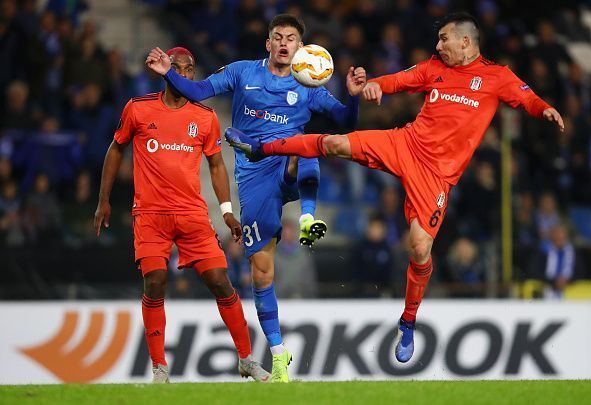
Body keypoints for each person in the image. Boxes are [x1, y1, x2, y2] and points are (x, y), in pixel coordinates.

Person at [225, 12, 565, 363]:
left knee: (419, 248)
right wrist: (374, 85)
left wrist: (545, 110)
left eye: (444, 38)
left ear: (465, 42)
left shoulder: (497, 77)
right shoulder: (435, 67)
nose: (438, 45)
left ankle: (407, 320)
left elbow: (526, 99)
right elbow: (401, 80)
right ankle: (260, 147)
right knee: (335, 143)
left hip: (436, 175)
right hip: (406, 143)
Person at [145, 14, 366, 382]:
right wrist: (170, 72)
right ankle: (279, 352)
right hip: (252, 176)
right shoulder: (243, 72)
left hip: (285, 159)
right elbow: (199, 92)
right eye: (277, 37)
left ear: (300, 47)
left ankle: (308, 217)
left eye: (291, 38)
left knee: (309, 144)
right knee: (261, 273)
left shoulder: (308, 83)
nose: (283, 43)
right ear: (268, 43)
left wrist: (354, 99)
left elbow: (345, 121)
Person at [94, 47, 269, 383]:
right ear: (166, 70)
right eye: (178, 67)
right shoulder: (138, 108)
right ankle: (160, 369)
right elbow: (116, 147)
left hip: (192, 215)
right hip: (150, 215)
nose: (185, 74)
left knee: (220, 281)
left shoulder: (204, 116)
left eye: (190, 69)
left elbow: (217, 165)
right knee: (156, 282)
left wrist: (228, 213)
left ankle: (246, 359)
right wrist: (104, 200)